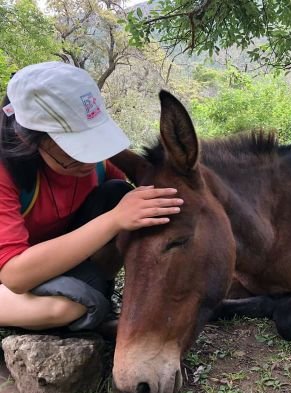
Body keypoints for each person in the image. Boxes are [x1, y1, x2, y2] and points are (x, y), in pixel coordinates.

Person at [0, 61, 183, 334]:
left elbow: (143, 182)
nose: (88, 161)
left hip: (51, 263)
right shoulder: (6, 171)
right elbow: (15, 275)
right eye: (74, 152)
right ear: (30, 140)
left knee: (118, 194)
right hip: (15, 271)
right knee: (71, 306)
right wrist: (115, 220)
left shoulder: (95, 164)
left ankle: (89, 295)